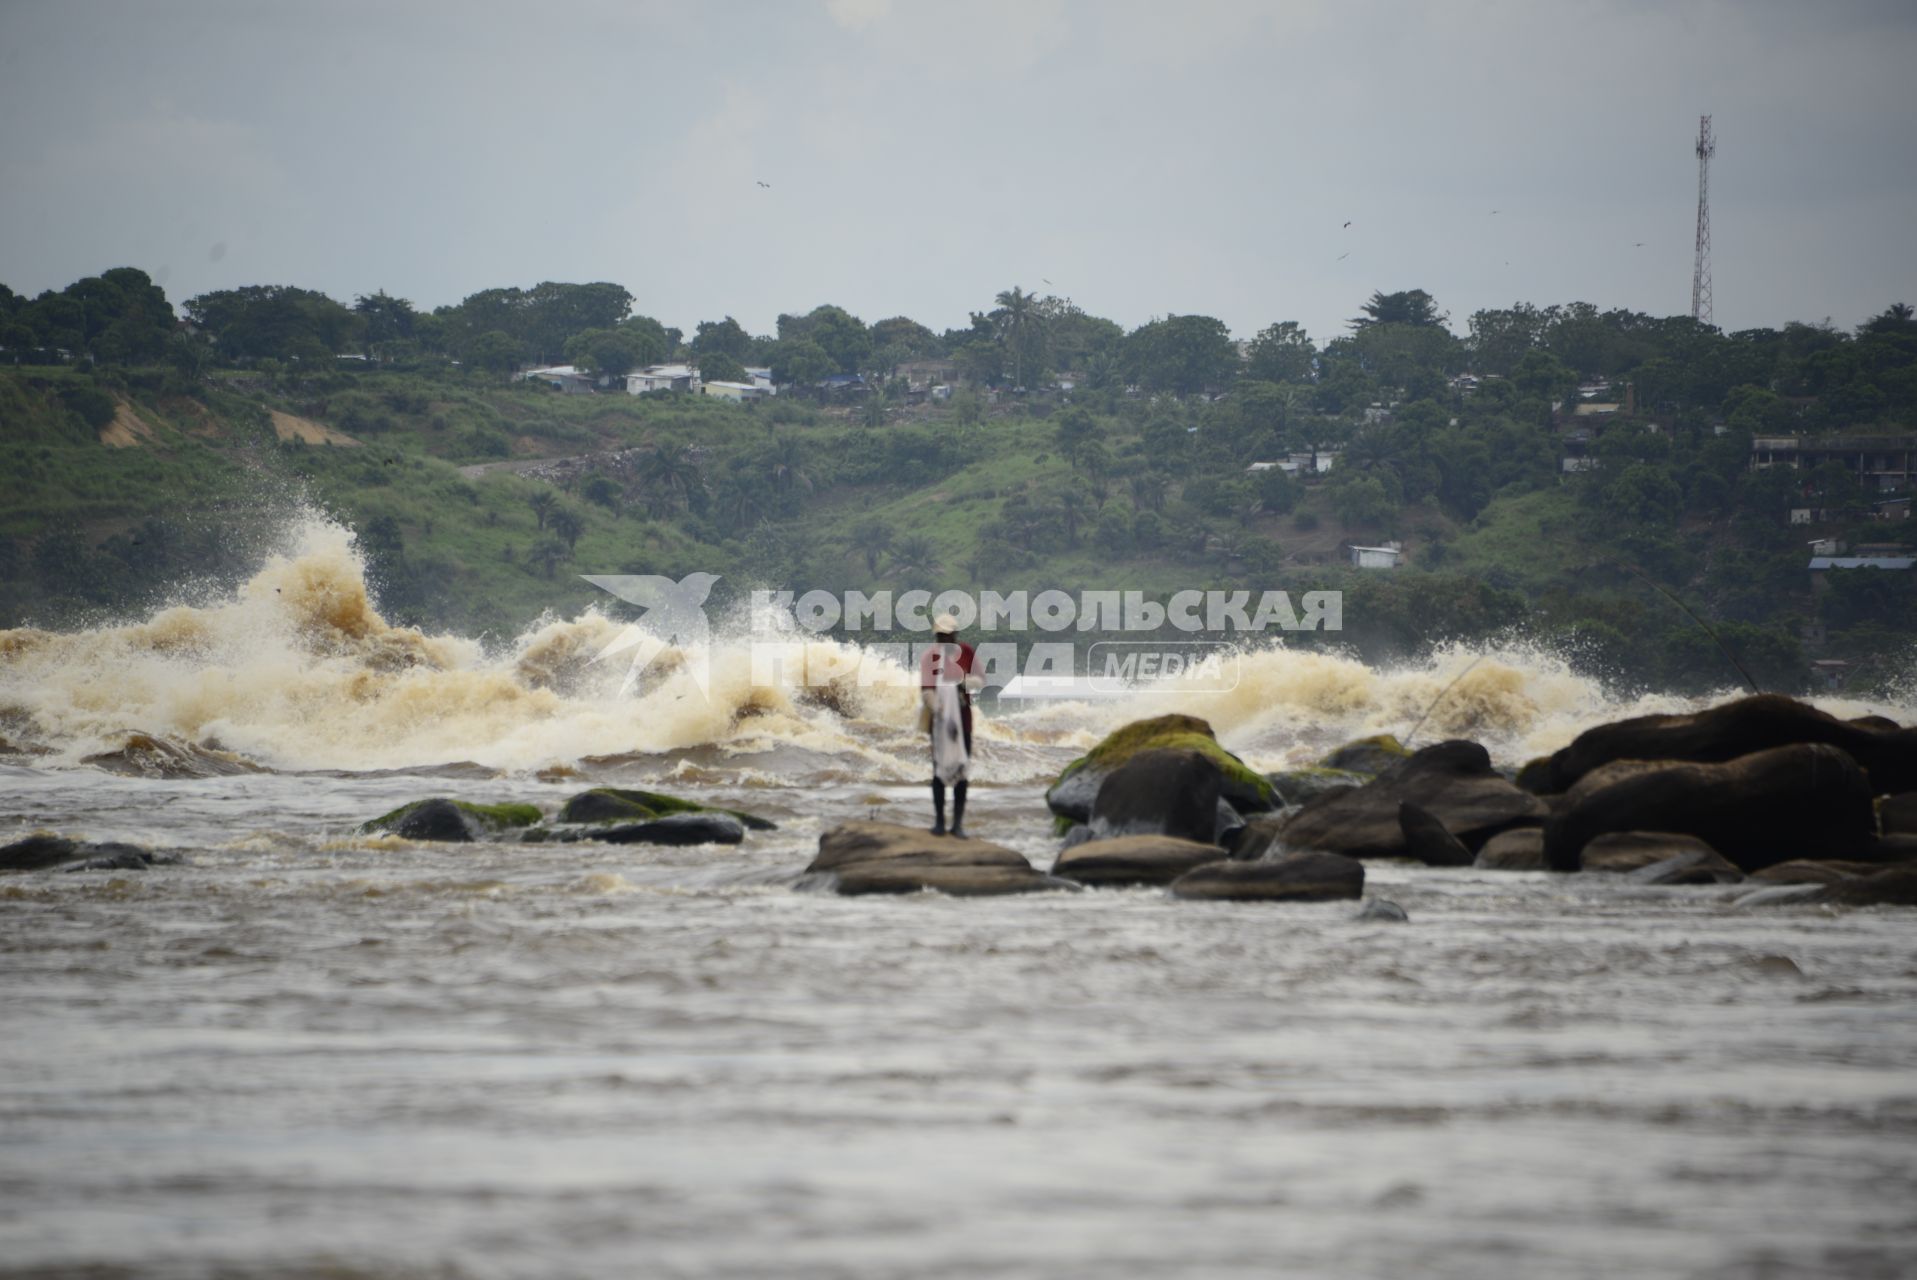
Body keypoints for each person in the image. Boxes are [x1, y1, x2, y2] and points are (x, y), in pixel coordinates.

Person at [918, 613, 982, 837]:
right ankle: (938, 822)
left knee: (961, 770)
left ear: (955, 635)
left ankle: (957, 824)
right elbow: (927, 691)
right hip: (939, 723)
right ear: (937, 635)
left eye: (949, 635)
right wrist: (940, 710)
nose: (945, 639)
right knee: (938, 771)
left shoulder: (966, 653)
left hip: (963, 721)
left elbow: (981, 679)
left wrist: (962, 683)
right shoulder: (929, 657)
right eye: (942, 636)